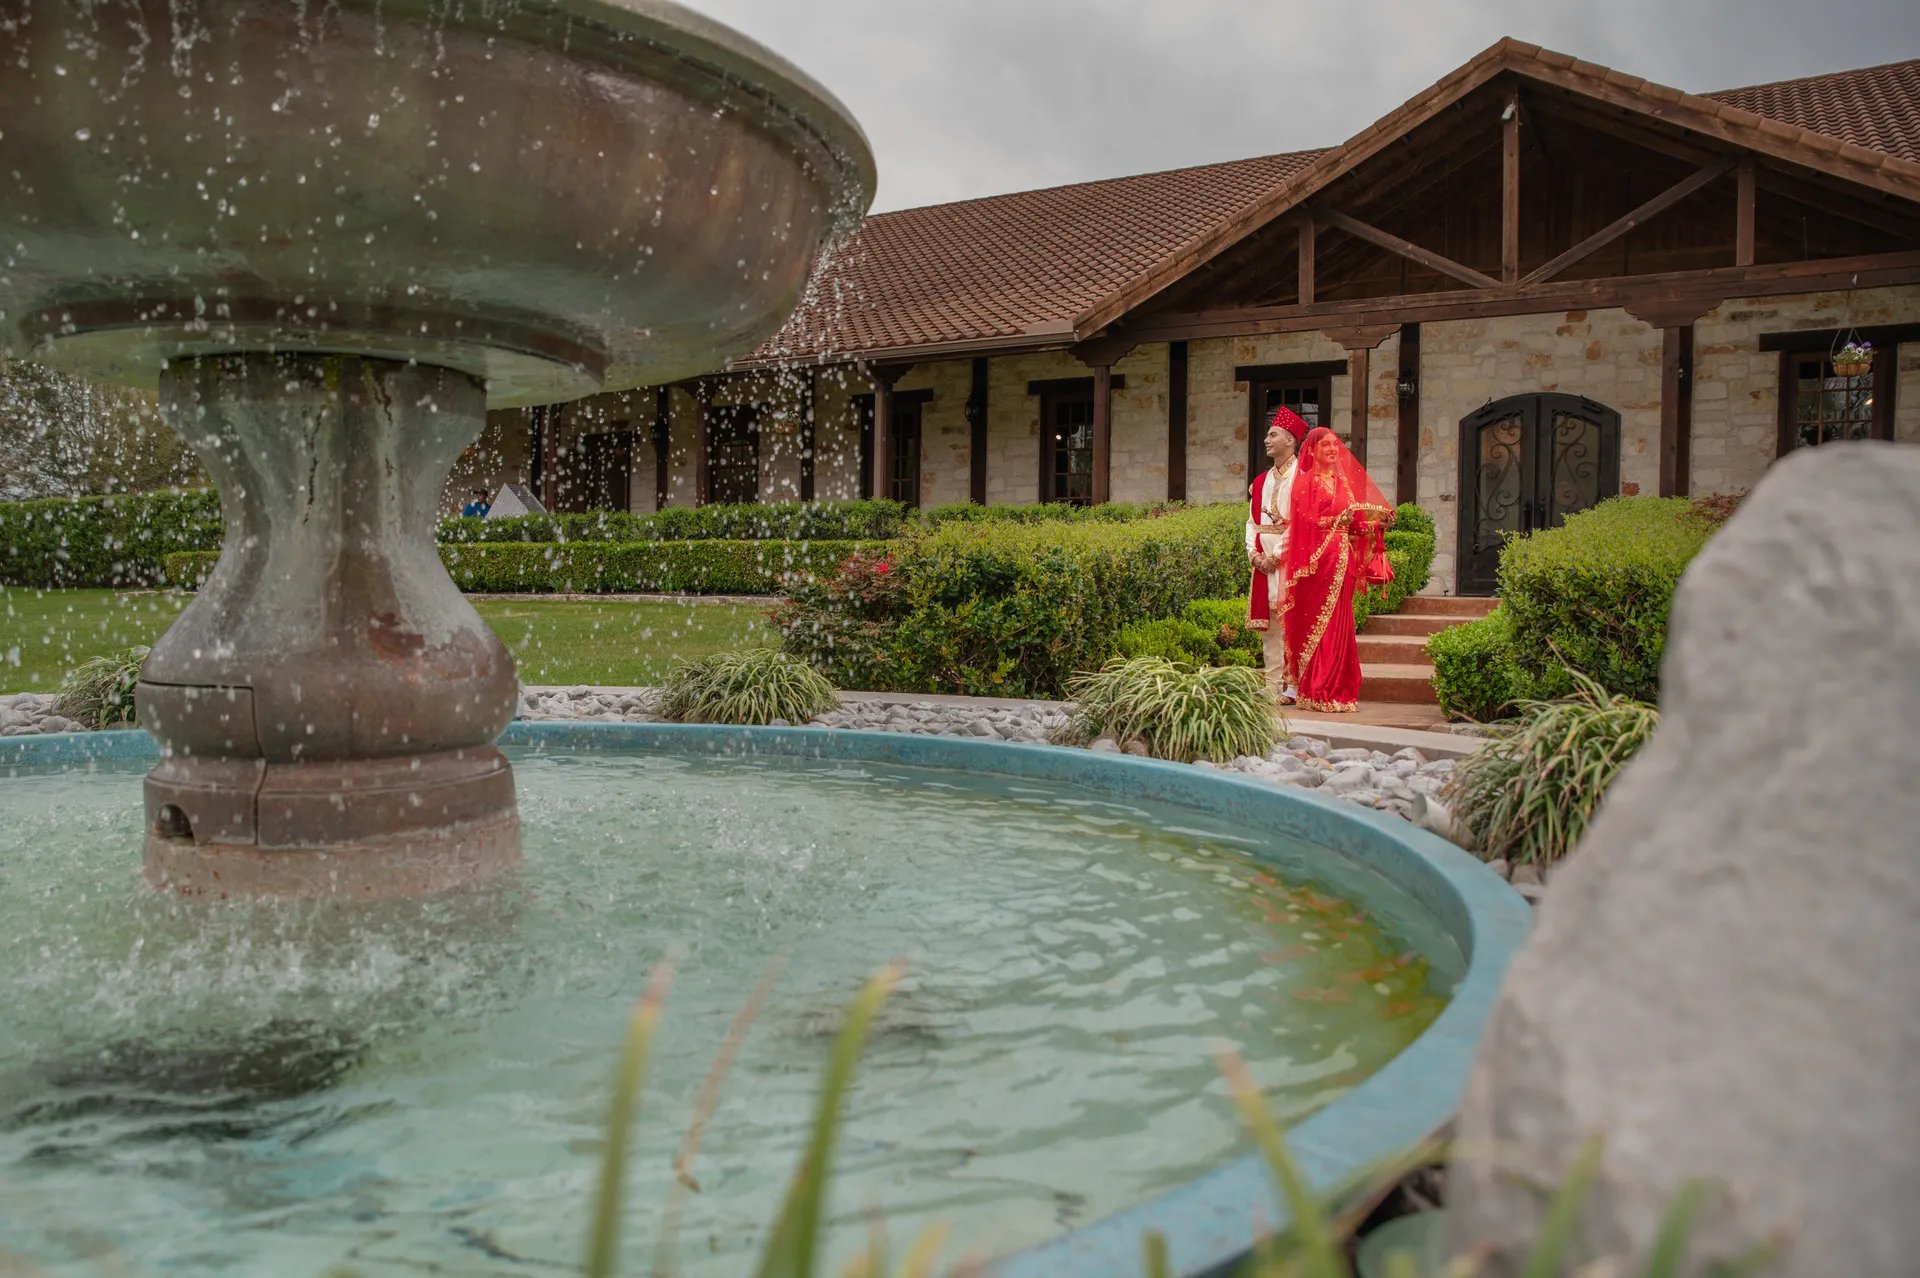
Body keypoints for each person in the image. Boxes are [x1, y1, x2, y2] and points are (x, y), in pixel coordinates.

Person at [1278, 427, 1395, 713]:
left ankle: (1336, 688)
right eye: (1325, 445)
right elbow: (1304, 523)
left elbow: (1353, 526)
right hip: (1316, 563)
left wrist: (1376, 525)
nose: (1332, 449)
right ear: (1312, 450)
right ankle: (1313, 687)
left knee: (1340, 623)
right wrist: (1334, 521)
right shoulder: (1305, 483)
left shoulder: (1343, 483)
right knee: (1318, 621)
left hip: (1342, 561)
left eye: (1335, 444)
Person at [1246, 406, 1309, 703]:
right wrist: (1254, 555)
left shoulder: (1303, 478)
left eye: (1273, 435)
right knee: (1270, 626)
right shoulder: (1260, 481)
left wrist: (1276, 556)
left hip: (1291, 560)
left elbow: (1302, 523)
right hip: (1263, 563)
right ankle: (1273, 684)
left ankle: (1294, 685)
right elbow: (1252, 522)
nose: (1266, 440)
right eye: (1267, 435)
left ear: (1290, 439)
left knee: (1292, 623)